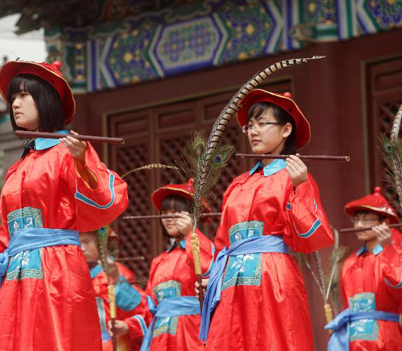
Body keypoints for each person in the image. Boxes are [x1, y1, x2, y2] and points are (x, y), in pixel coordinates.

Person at [0, 60, 129, 351]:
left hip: (57, 269)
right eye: (13, 97)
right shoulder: (17, 167)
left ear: (46, 100)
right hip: (17, 274)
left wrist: (81, 163)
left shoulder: (69, 151)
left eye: (24, 95)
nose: (15, 104)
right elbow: (7, 230)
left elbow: (108, 200)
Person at [201, 89, 334, 350]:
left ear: (286, 130)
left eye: (262, 124)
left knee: (274, 340)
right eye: (249, 125)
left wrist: (298, 188)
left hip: (272, 276)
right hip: (232, 279)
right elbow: (222, 240)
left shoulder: (294, 176)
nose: (253, 131)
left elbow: (311, 238)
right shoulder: (238, 183)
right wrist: (212, 275)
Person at [325, 187, 402, 350]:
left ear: (384, 223)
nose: (359, 225)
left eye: (367, 220)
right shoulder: (350, 262)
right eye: (357, 219)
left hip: (385, 337)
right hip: (353, 338)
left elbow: (398, 284)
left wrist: (388, 249)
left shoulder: (395, 254)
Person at [141, 180, 214, 350]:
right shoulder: (158, 261)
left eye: (175, 213)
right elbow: (149, 305)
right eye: (164, 212)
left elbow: (209, 271)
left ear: (191, 216)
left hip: (192, 333)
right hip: (161, 336)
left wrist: (191, 233)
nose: (168, 218)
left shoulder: (203, 247)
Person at [80, 228, 148, 351]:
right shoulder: (72, 275)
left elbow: (140, 310)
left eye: (87, 241)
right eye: (78, 243)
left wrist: (116, 279)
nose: (82, 248)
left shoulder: (118, 272)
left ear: (102, 244)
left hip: (113, 343)